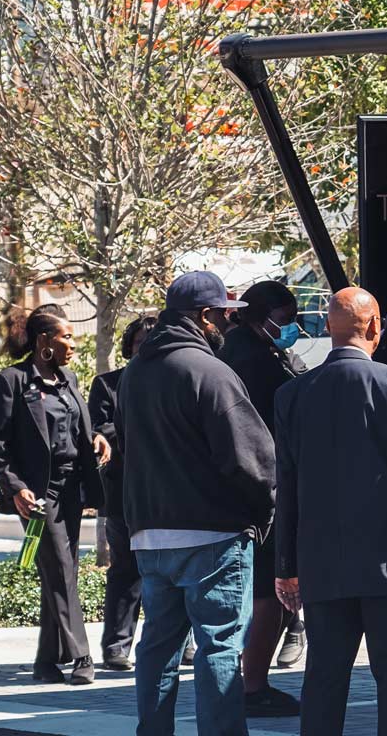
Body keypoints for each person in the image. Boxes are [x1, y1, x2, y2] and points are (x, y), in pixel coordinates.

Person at [273, 287, 387, 736]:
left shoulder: (292, 395)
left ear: (328, 327)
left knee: (324, 681)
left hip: (323, 564)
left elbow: (286, 487)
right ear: (373, 326)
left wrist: (287, 564)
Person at [120, 271, 277, 736]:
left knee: (157, 645)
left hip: (151, 532)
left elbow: (130, 448)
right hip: (212, 532)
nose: (229, 324)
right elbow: (254, 458)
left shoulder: (134, 374)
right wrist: (263, 513)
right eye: (226, 315)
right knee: (220, 646)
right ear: (205, 316)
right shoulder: (211, 372)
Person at [0, 306, 111, 686]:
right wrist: (15, 486)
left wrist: (95, 438)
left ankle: (44, 661)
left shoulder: (69, 378)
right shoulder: (11, 381)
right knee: (60, 569)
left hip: (72, 488)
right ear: (44, 342)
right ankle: (82, 655)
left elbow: (76, 426)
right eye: (66, 337)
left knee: (61, 572)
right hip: (38, 494)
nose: (73, 344)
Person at [220, 280, 307, 716]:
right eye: (288, 320)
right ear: (264, 316)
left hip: (238, 491)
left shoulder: (243, 352)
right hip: (263, 490)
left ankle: (247, 683)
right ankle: (253, 685)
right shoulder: (254, 360)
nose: (292, 328)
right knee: (269, 592)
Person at [87, 314, 157, 672]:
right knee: (125, 570)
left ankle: (186, 644)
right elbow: (101, 429)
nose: (147, 344)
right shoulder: (108, 385)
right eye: (141, 339)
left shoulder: (169, 380)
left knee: (176, 573)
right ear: (130, 345)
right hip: (122, 493)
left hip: (166, 494)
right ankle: (116, 646)